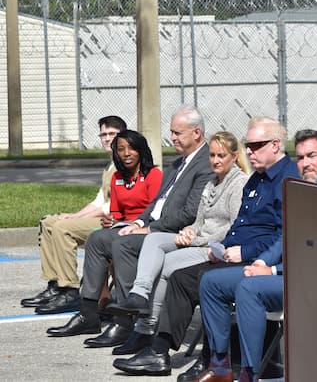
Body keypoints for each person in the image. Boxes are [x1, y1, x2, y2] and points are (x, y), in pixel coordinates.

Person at [111, 116, 299, 379]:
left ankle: (211, 360)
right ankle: (161, 350)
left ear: (276, 145)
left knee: (201, 279)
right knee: (180, 277)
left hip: (259, 262)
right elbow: (238, 225)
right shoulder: (258, 178)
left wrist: (244, 253)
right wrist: (222, 246)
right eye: (248, 145)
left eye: (256, 145)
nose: (249, 151)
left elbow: (285, 234)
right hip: (229, 252)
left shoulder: (287, 180)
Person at [46, 106, 215, 351]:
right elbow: (158, 202)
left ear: (197, 132)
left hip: (175, 232)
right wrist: (137, 222)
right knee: (99, 239)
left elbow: (190, 212)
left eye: (178, 133)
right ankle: (89, 313)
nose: (173, 137)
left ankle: (126, 321)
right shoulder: (178, 163)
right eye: (172, 132)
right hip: (152, 225)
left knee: (122, 243)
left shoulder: (205, 163)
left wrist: (149, 229)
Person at [198, 129, 317, 382]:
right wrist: (262, 261)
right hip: (290, 273)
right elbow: (284, 237)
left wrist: (274, 271)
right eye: (299, 158)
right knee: (211, 283)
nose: (305, 163)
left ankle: (250, 373)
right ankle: (221, 366)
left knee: (249, 288)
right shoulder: (303, 191)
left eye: (312, 155)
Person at [105, 131, 250, 356]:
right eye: (212, 155)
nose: (215, 160)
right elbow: (200, 220)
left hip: (213, 247)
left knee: (167, 264)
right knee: (153, 239)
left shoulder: (238, 183)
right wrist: (188, 231)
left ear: (234, 156)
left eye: (221, 155)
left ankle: (147, 328)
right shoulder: (212, 182)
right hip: (198, 238)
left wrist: (197, 238)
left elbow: (232, 227)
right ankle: (139, 294)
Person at [20, 115, 127, 315]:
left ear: (123, 135)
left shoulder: (124, 162)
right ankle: (56, 284)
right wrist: (74, 215)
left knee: (62, 228)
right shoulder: (110, 164)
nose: (107, 138)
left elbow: (109, 206)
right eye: (103, 134)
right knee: (49, 222)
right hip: (103, 214)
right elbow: (98, 200)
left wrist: (74, 219)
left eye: (112, 134)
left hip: (114, 222)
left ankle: (69, 290)